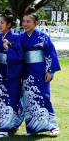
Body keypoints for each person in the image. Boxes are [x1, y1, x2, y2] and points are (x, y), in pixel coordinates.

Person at [20, 7, 60, 136]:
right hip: (26, 72)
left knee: (44, 97)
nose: (25, 24)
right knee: (28, 98)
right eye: (24, 21)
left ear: (35, 23)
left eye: (28, 22)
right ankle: (32, 128)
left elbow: (50, 54)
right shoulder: (21, 37)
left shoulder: (43, 37)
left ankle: (53, 126)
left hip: (40, 71)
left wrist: (50, 71)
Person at [0, 9, 24, 138]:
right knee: (2, 100)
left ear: (9, 25)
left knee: (10, 100)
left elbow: (20, 56)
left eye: (2, 23)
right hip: (0, 72)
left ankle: (5, 129)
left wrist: (8, 49)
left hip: (12, 74)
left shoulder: (15, 38)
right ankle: (5, 127)